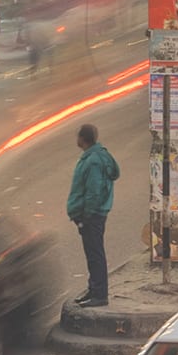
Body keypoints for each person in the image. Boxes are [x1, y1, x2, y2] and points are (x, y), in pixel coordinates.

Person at [66, 122, 119, 307]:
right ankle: (94, 289)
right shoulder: (93, 156)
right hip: (92, 215)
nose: (77, 140)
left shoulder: (94, 160)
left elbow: (93, 192)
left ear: (83, 139)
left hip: (92, 216)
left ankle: (99, 295)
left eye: (78, 136)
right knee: (92, 254)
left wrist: (86, 215)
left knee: (95, 254)